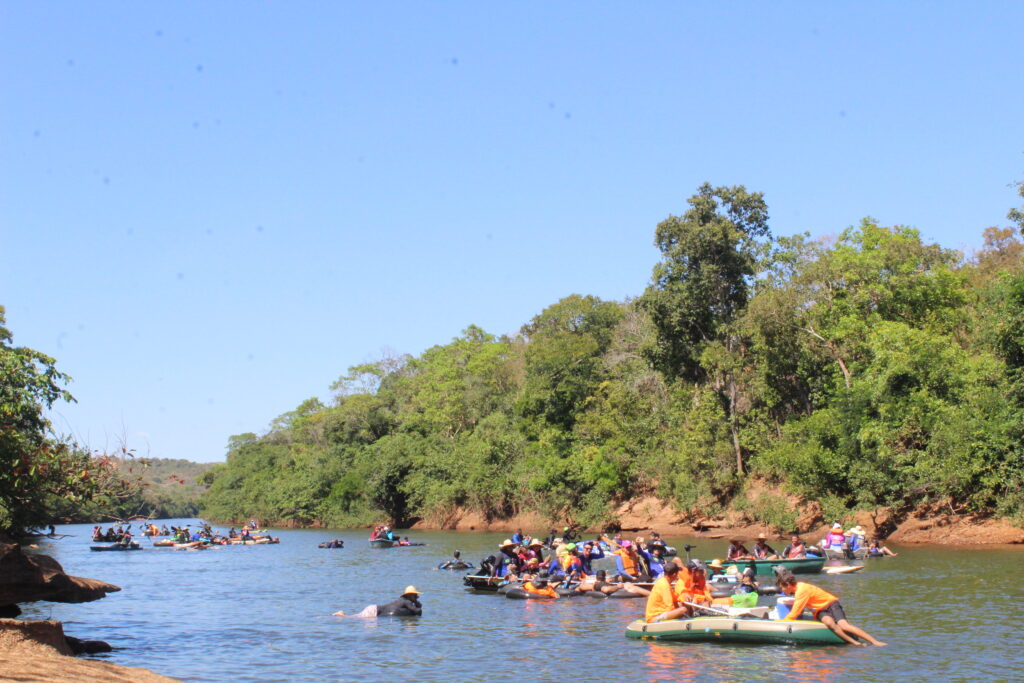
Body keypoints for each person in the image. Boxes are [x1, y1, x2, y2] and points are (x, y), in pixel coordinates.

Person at [776, 570, 885, 646]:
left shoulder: (801, 590)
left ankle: (874, 641)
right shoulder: (798, 588)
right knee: (829, 622)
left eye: (782, 588)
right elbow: (801, 605)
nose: (782, 591)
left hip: (831, 603)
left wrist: (782, 622)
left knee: (844, 625)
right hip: (820, 610)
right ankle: (854, 642)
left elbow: (795, 612)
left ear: (788, 584)